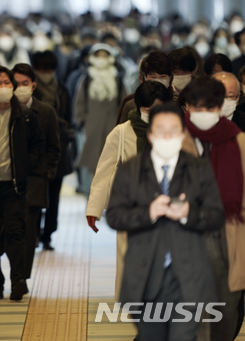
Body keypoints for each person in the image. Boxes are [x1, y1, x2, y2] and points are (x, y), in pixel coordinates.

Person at [107, 103, 224, 340]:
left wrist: (189, 214)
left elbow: (216, 215)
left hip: (188, 276)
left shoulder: (199, 169)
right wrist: (148, 212)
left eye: (174, 130)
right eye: (161, 130)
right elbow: (114, 216)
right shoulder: (131, 170)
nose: (168, 136)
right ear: (150, 135)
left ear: (183, 134)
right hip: (146, 275)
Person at [86, 81, 173, 298]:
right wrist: (94, 208)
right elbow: (104, 171)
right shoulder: (122, 132)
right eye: (147, 109)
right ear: (138, 107)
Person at [0, 65, 44, 301]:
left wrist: (25, 166)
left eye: (7, 83)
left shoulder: (23, 114)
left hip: (14, 185)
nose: (4, 88)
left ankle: (17, 280)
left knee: (16, 232)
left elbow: (36, 145)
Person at [183, 77, 245, 341]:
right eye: (199, 107)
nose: (205, 114)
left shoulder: (238, 141)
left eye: (210, 107)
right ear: (187, 107)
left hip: (229, 234)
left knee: (226, 311)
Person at [12, 63, 60, 269]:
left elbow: (54, 147)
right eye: (16, 83)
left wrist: (47, 173)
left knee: (30, 230)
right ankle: (15, 271)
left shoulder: (46, 112)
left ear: (33, 85)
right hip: (7, 180)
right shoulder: (4, 111)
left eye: (25, 83)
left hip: (35, 180)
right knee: (10, 231)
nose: (20, 87)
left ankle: (21, 275)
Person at [31, 50, 75, 251]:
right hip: (36, 151)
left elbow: (69, 117)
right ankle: (34, 233)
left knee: (53, 197)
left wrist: (65, 133)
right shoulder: (30, 90)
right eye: (42, 69)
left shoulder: (62, 90)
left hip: (58, 149)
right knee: (35, 194)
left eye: (49, 69)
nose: (46, 73)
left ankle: (48, 234)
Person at [74, 43, 127, 197]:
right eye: (98, 55)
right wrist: (82, 121)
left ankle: (110, 199)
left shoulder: (117, 79)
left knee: (113, 164)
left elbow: (125, 103)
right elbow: (80, 103)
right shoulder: (87, 79)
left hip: (113, 126)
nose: (102, 59)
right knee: (92, 164)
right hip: (92, 127)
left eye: (105, 55)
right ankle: (92, 198)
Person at [116, 51, 173, 125]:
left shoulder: (179, 101)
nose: (158, 81)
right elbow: (120, 133)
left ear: (170, 79)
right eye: (153, 77)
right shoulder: (131, 104)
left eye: (163, 77)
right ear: (142, 78)